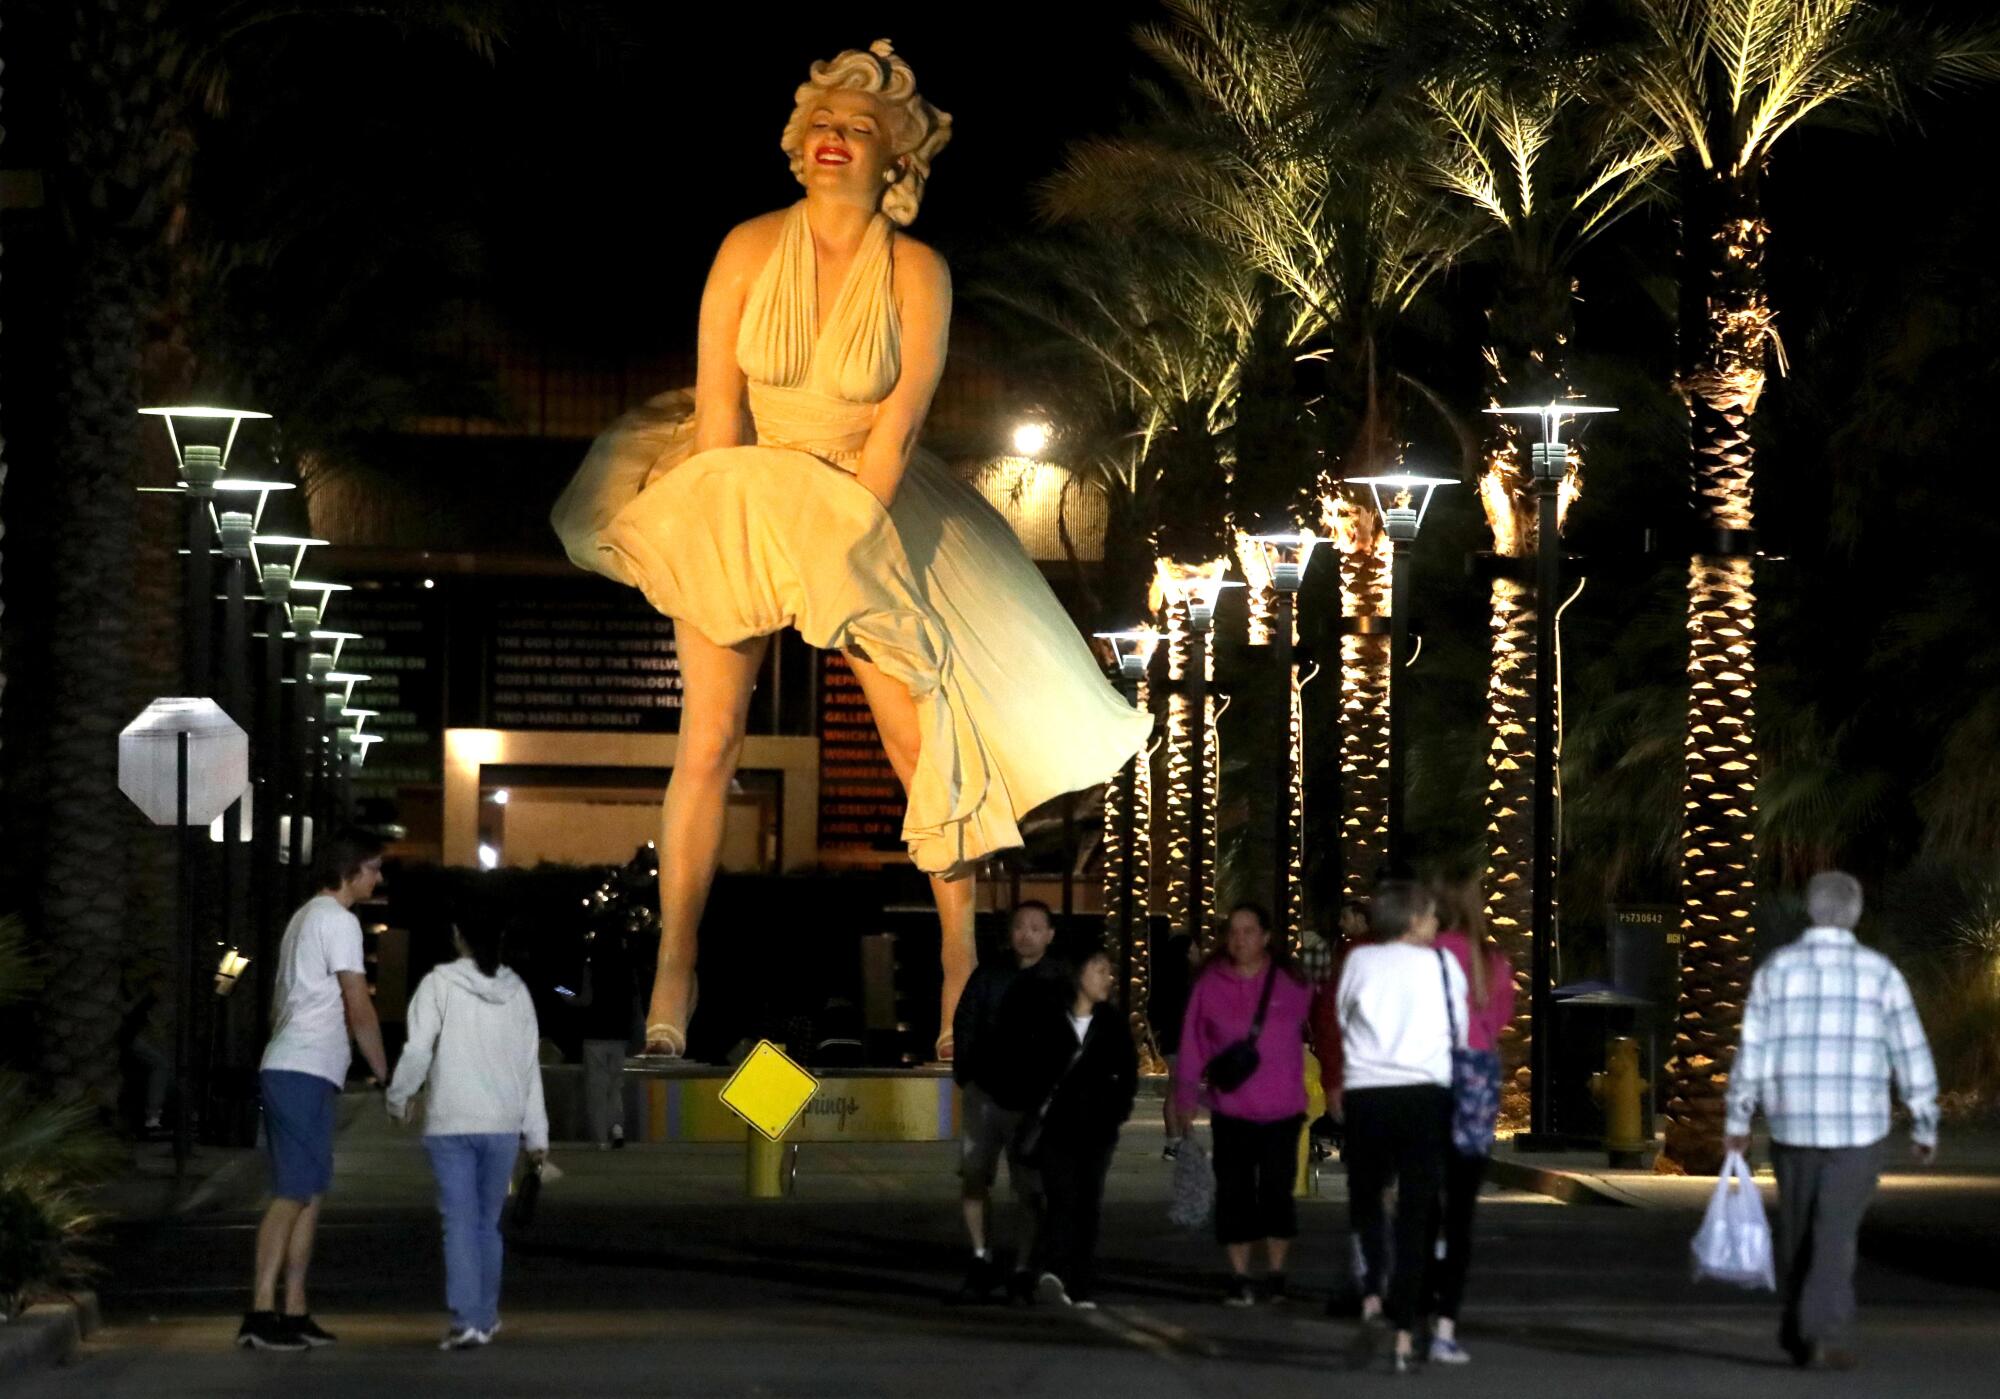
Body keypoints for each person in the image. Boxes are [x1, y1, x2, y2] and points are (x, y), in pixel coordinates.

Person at [550, 40, 1152, 1063]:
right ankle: (672, 975)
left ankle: (961, 972)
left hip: (863, 502)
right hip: (739, 481)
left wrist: (844, 545)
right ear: (798, 142)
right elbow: (718, 407)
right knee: (707, 739)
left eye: (860, 128)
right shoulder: (745, 246)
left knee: (918, 741)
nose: (835, 137)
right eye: (823, 121)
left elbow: (900, 421)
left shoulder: (917, 271)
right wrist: (733, 522)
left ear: (897, 163)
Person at [1724, 870, 1938, 1372]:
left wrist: (1738, 1117)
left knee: (1799, 1231)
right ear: (1855, 913)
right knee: (1835, 1232)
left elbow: (1752, 1049)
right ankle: (1821, 1332)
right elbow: (1911, 1051)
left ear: (1811, 910)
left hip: (1791, 1124)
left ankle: (1800, 1328)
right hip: (1858, 1129)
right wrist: (1925, 1121)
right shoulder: (1880, 974)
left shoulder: (1777, 971)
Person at [237, 831, 389, 1353]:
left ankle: (295, 1309)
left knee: (308, 1192)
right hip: (302, 1069)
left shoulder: (305, 917)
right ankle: (259, 1312)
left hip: (300, 1066)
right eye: (372, 868)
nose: (377, 877)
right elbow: (357, 1001)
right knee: (292, 1193)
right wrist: (384, 1070)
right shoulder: (338, 921)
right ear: (350, 871)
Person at [387, 923, 551, 1351]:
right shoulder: (518, 993)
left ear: (457, 935)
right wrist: (536, 1133)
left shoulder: (438, 985)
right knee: (486, 1224)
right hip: (502, 1124)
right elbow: (528, 1066)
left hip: (451, 1122)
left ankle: (466, 1320)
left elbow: (418, 1049)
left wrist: (399, 1097)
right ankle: (485, 1315)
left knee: (458, 1222)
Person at [1335, 880, 1465, 1375]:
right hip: (1425, 1093)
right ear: (1413, 921)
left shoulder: (1361, 962)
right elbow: (1455, 1026)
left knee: (1367, 1193)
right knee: (1417, 1209)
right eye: (1431, 916)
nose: (1435, 924)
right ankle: (1406, 1320)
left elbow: (1344, 1015)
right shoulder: (1440, 965)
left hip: (1369, 1091)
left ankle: (1372, 1289)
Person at [1169, 903, 1314, 1307]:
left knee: (1275, 1191)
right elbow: (1192, 1042)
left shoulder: (1290, 980)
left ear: (1267, 936)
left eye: (1249, 931)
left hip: (1283, 1108)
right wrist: (1185, 1098)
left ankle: (1276, 1274)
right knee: (1234, 1193)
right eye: (1233, 931)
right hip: (1231, 1108)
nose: (1240, 939)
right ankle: (1239, 1276)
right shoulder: (1210, 982)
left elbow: (1312, 1018)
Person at [951, 900, 1063, 1300]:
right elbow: (965, 1021)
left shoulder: (1060, 980)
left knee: (1029, 1188)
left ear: (1050, 934)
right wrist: (967, 1073)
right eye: (1020, 926)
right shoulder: (990, 974)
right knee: (974, 1176)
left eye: (1036, 927)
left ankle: (1022, 1266)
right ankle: (980, 1256)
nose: (1027, 934)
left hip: (1033, 1102)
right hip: (985, 1094)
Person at [1423, 878, 1514, 1365]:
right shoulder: (1492, 960)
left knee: (1424, 1195)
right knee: (1461, 1208)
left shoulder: (1429, 954)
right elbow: (1499, 1020)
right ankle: (1446, 1321)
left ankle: (1417, 1296)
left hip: (1432, 1074)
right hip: (1477, 1080)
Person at [1026, 948, 1138, 1309]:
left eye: (1109, 970)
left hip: (1097, 1130)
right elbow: (1033, 1067)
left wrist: (1117, 1112)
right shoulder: (1049, 1017)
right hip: (1057, 1128)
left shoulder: (1113, 1023)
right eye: (1099, 969)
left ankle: (1080, 1284)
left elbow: (1128, 1074)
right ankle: (1052, 1273)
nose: (1107, 977)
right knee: (1062, 1199)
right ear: (1078, 974)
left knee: (1089, 1203)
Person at [576, 925, 637, 1149]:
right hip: (619, 1034)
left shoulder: (592, 967)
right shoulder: (627, 967)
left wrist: (562, 992)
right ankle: (617, 1129)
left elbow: (585, 999)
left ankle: (600, 1139)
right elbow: (633, 1001)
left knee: (596, 1089)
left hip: (595, 1034)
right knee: (615, 1086)